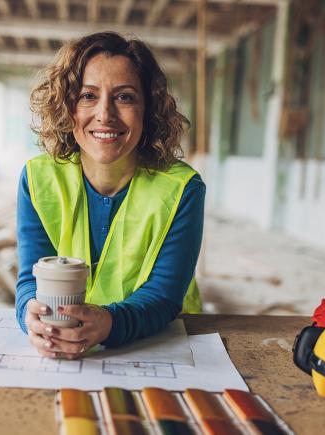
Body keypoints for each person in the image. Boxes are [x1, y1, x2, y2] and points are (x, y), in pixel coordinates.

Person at [15, 31, 206, 359]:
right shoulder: (37, 178)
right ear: (68, 106)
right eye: (88, 96)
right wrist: (31, 316)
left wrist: (109, 324)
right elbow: (30, 278)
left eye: (125, 97)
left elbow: (164, 295)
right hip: (67, 345)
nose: (105, 114)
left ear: (148, 110)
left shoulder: (182, 189)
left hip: (165, 344)